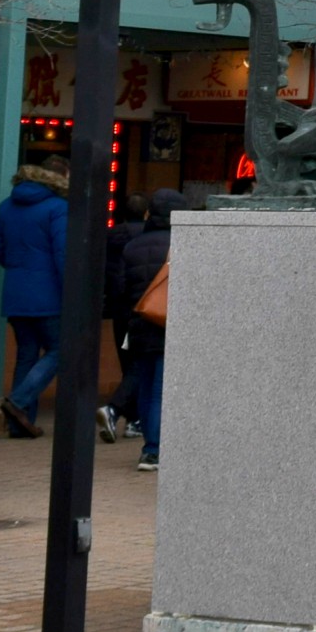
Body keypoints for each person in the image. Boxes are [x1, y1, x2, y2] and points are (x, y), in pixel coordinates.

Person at [0, 161, 67, 438]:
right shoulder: (58, 208)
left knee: (26, 355)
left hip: (16, 292)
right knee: (62, 349)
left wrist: (17, 270)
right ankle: (19, 402)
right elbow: (62, 254)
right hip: (50, 295)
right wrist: (70, 289)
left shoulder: (7, 206)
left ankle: (18, 425)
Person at [116, 190, 178, 470]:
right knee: (159, 390)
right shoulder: (181, 245)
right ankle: (152, 450)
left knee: (145, 385)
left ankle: (148, 445)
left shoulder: (132, 245)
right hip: (168, 324)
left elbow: (121, 288)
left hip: (140, 322)